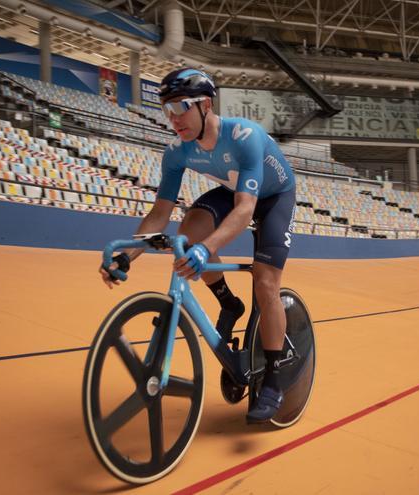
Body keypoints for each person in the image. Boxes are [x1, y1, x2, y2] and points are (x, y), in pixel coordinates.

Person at [99, 68, 297, 424]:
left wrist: (206, 251)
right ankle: (228, 303)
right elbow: (159, 214)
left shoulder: (244, 136)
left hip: (273, 197)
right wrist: (126, 257)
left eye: (180, 107)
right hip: (233, 189)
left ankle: (274, 378)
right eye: (167, 110)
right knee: (186, 233)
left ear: (205, 105)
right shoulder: (176, 151)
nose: (174, 119)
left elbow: (245, 210)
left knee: (265, 282)